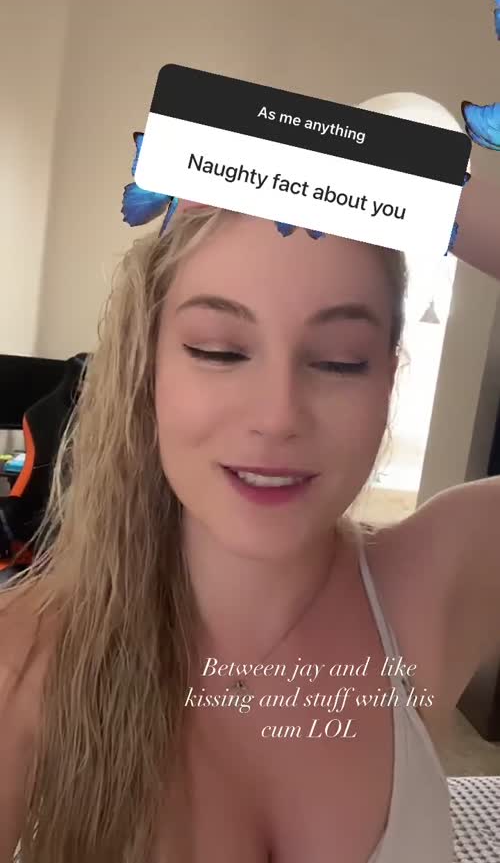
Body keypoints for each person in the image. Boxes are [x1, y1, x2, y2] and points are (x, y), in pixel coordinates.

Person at [0, 176, 499, 863]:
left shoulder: (436, 583)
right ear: (147, 367)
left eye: (339, 361)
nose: (277, 416)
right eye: (219, 350)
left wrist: (387, 170)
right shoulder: (21, 660)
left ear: (389, 377)